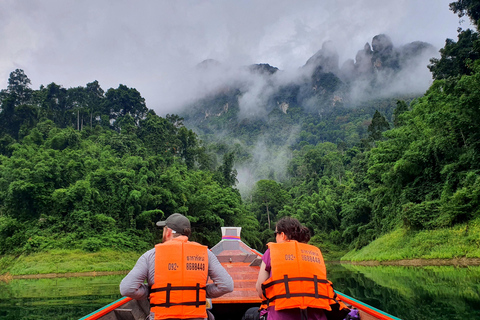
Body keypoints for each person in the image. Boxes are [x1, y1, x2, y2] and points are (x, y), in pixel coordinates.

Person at [120, 213, 234, 320]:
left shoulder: (151, 255)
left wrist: (152, 291)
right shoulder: (206, 254)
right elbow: (227, 285)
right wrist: (201, 291)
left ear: (168, 232)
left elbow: (127, 288)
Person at [255, 217, 347, 320]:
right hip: (316, 317)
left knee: (249, 313)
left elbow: (260, 291)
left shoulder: (271, 252)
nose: (275, 238)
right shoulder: (314, 252)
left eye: (275, 233)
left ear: (282, 235)